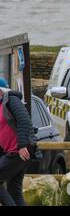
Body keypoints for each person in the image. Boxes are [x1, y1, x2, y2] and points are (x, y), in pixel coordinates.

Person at [0, 78, 34, 206]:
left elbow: (24, 120)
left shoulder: (11, 100)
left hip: (19, 151)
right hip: (13, 151)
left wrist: (22, 145)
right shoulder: (1, 105)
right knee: (14, 190)